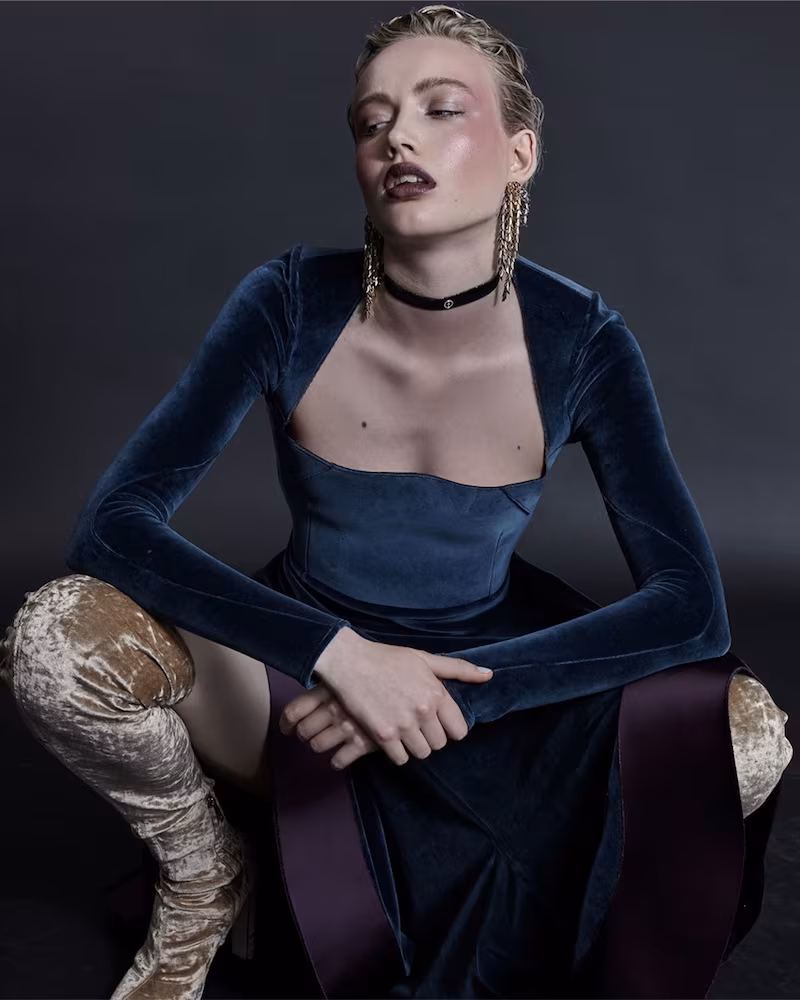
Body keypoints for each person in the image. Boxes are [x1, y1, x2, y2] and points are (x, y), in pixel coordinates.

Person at [0, 5, 792, 999]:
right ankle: (204, 874)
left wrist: (461, 692)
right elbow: (114, 525)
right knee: (57, 639)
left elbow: (689, 604)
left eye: (438, 109)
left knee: (744, 735)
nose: (397, 138)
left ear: (519, 154)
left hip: (488, 683)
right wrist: (337, 655)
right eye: (371, 121)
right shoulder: (287, 300)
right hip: (297, 675)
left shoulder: (584, 340)